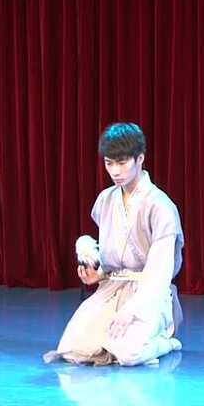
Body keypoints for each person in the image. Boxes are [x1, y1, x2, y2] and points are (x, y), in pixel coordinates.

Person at [44, 122, 184, 366]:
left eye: (122, 162)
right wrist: (98, 275)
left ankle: (167, 341)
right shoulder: (106, 199)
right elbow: (113, 258)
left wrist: (133, 309)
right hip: (113, 288)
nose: (115, 171)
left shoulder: (160, 206)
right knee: (74, 348)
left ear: (140, 158)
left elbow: (160, 275)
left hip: (150, 294)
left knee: (129, 353)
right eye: (109, 163)